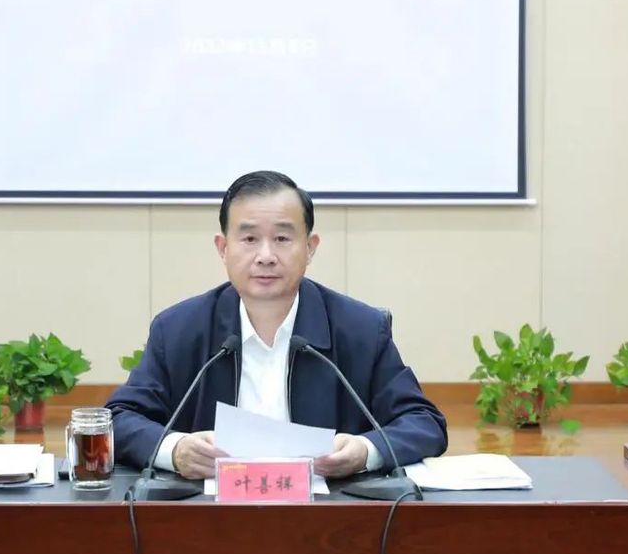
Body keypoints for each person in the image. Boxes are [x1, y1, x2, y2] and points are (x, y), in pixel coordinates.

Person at [106, 170, 448, 479]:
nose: (266, 256)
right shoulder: (179, 329)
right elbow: (119, 419)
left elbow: (423, 422)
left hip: (330, 514)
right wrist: (175, 450)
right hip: (208, 514)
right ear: (223, 248)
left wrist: (365, 451)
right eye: (249, 239)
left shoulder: (361, 330)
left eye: (282, 239)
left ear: (310, 248)